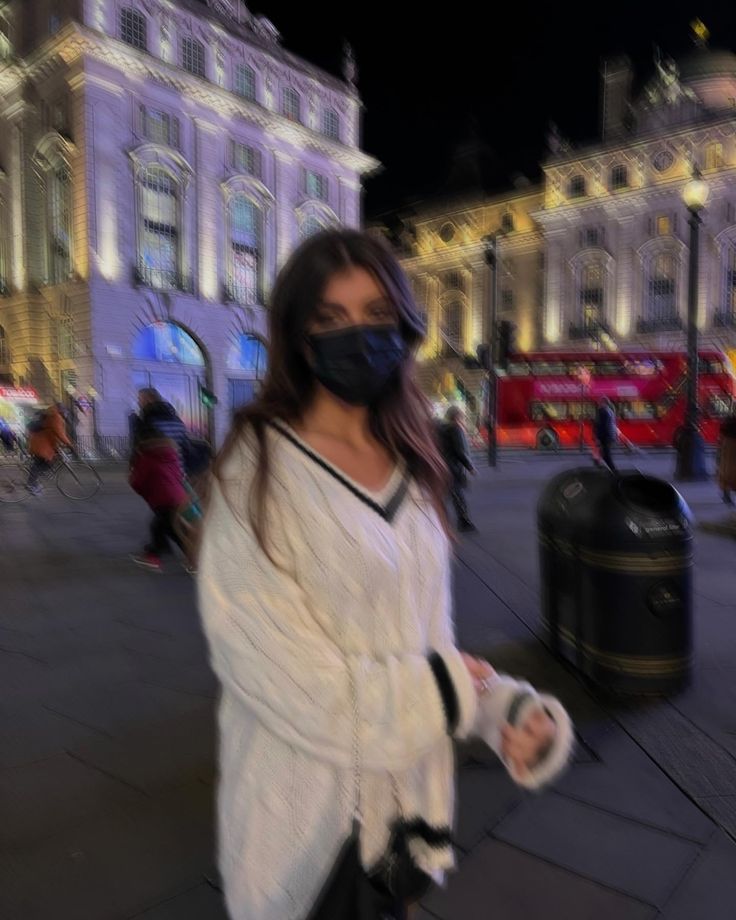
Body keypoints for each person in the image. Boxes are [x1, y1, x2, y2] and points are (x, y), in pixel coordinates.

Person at [197, 230, 571, 920]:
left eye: (375, 315)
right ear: (298, 338)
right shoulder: (259, 472)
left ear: (404, 325)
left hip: (404, 829)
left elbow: (427, 646)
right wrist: (458, 688)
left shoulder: (411, 462)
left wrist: (504, 712)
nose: (358, 337)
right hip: (307, 841)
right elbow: (295, 684)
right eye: (330, 320)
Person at [128, 422, 193, 573]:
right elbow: (179, 474)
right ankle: (184, 555)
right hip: (178, 496)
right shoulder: (171, 453)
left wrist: (134, 481)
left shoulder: (147, 456)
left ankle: (154, 557)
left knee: (159, 527)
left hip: (162, 499)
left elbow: (138, 481)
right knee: (170, 528)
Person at [436, 405, 477, 532]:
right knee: (457, 495)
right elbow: (460, 451)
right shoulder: (455, 429)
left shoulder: (440, 428)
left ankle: (441, 521)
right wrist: (470, 467)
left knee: (445, 496)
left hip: (442, 465)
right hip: (452, 467)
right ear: (457, 416)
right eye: (461, 416)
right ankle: (464, 522)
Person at [26, 404, 72, 494]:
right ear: (62, 410)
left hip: (41, 443)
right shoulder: (55, 416)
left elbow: (53, 433)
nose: (66, 414)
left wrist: (60, 446)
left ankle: (35, 481)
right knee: (41, 464)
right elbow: (60, 433)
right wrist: (70, 445)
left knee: (47, 462)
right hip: (41, 445)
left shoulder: (51, 414)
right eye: (65, 412)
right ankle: (31, 484)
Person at [594, 396, 618, 473]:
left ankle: (614, 472)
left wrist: (598, 438)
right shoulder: (610, 411)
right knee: (602, 454)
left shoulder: (602, 411)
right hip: (610, 436)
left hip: (606, 436)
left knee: (606, 456)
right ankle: (601, 466)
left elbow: (602, 426)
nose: (598, 403)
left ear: (604, 403)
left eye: (600, 402)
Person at [717, 414, 736, 505]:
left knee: (726, 470)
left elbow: (721, 433)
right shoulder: (731, 421)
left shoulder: (729, 420)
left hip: (727, 445)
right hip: (731, 445)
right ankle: (727, 495)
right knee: (731, 471)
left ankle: (726, 494)